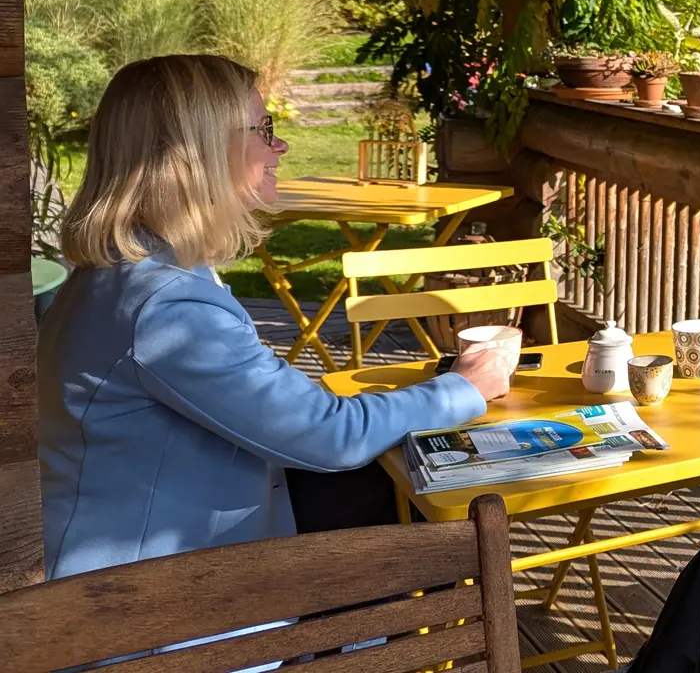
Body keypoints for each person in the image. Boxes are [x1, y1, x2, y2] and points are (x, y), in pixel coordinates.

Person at [38, 55, 517, 579]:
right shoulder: (167, 306)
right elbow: (329, 436)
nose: (280, 146)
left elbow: (279, 414)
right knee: (436, 522)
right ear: (199, 151)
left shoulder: (131, 273)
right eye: (264, 130)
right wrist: (463, 387)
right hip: (152, 598)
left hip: (161, 561)